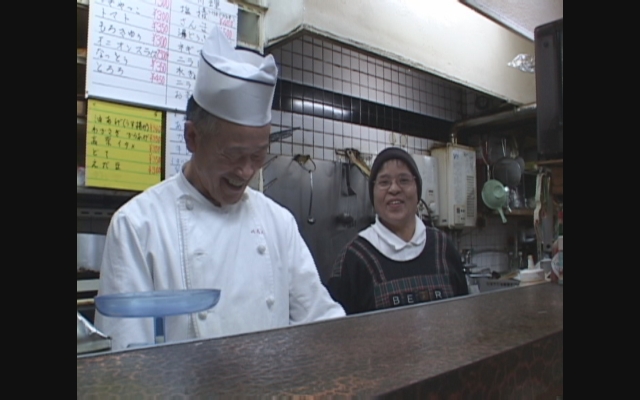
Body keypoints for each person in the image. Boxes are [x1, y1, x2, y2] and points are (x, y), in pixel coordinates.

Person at [95, 26, 345, 350]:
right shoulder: (138, 225)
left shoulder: (278, 223)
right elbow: (124, 362)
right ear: (192, 138)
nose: (245, 171)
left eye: (258, 155)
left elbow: (322, 323)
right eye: (233, 154)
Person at [326, 147, 468, 315]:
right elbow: (337, 333)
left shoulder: (443, 247)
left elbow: (462, 318)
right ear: (373, 192)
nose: (394, 189)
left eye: (404, 180)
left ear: (417, 189)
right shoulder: (353, 258)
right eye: (384, 182)